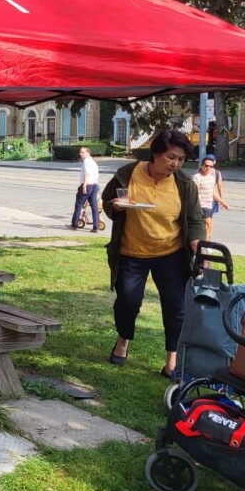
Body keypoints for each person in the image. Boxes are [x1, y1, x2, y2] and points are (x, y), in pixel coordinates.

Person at [102, 129, 206, 377]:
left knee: (176, 307)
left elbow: (195, 220)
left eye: (181, 159)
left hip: (171, 253)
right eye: (171, 157)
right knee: (127, 302)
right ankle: (123, 340)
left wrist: (198, 248)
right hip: (132, 252)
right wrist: (115, 207)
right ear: (156, 153)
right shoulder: (128, 174)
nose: (175, 163)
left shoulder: (183, 183)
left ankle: (172, 359)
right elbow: (108, 201)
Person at [191, 154, 228, 241]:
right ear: (202, 165)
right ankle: (205, 245)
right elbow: (193, 193)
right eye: (206, 166)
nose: (208, 168)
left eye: (211, 166)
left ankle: (205, 243)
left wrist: (222, 202)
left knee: (208, 226)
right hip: (200, 205)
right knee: (207, 224)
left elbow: (213, 192)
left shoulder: (211, 177)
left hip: (209, 205)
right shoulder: (196, 177)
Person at [70, 146, 100, 232]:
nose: (81, 154)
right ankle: (96, 227)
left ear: (88, 153)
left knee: (79, 205)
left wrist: (84, 185)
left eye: (83, 152)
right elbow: (96, 175)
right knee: (94, 207)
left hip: (87, 185)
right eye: (80, 152)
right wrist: (96, 188)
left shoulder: (86, 162)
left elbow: (87, 173)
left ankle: (74, 225)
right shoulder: (93, 162)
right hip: (94, 186)